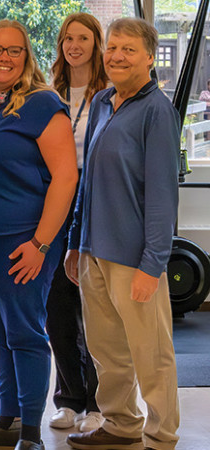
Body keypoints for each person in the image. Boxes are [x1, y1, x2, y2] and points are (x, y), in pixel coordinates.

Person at [0, 20, 78, 450]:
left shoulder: (44, 104)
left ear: (27, 56)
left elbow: (66, 178)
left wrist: (41, 244)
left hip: (23, 238)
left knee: (25, 332)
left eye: (14, 50)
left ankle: (30, 432)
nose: (4, 58)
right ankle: (8, 419)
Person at [65, 17, 180, 450]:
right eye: (112, 47)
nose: (116, 56)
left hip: (134, 257)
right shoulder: (101, 102)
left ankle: (161, 436)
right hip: (94, 250)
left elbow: (163, 195)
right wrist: (76, 242)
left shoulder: (157, 112)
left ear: (149, 57)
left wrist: (153, 264)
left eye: (128, 49)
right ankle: (120, 423)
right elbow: (88, 182)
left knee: (152, 354)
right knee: (107, 350)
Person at [45, 12, 107, 433]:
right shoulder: (49, 94)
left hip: (95, 203)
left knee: (96, 310)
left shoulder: (109, 95)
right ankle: (68, 398)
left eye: (83, 38)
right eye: (68, 38)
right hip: (55, 203)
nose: (74, 45)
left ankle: (99, 403)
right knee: (58, 309)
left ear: (96, 44)